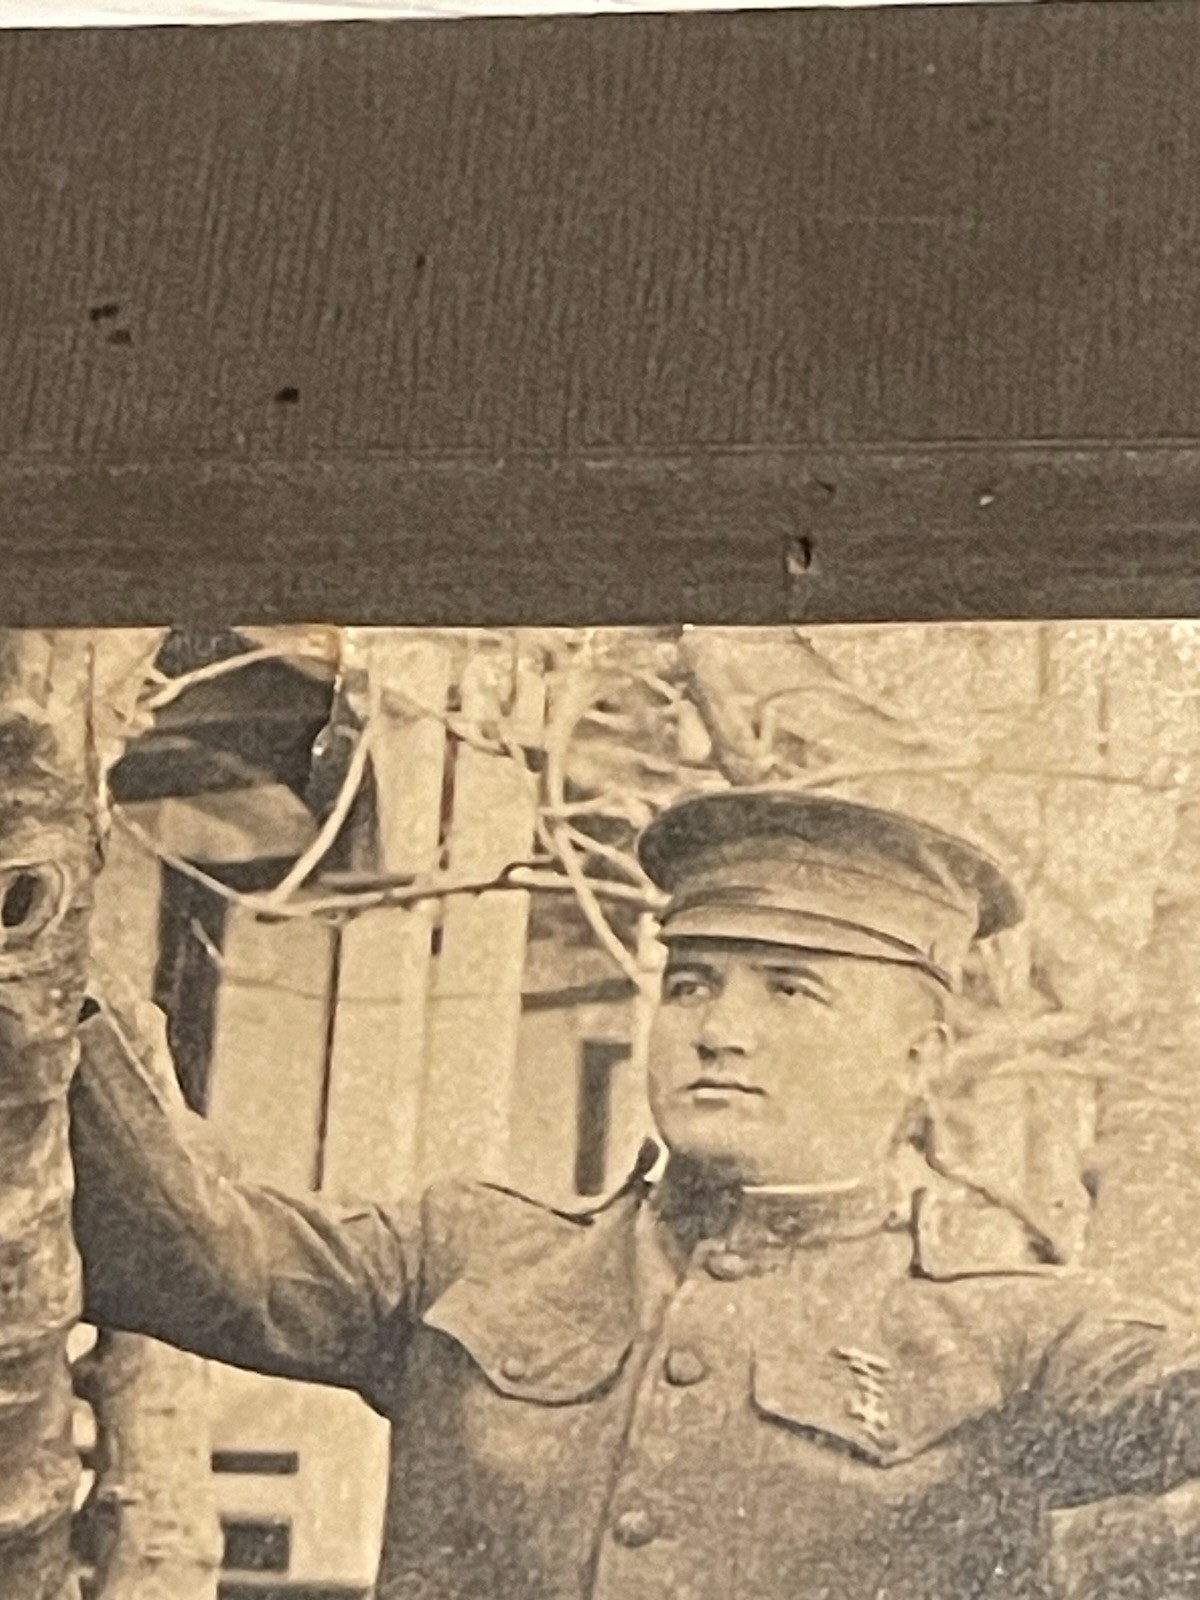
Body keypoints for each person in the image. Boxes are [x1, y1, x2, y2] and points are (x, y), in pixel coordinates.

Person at [69, 787, 1200, 1600]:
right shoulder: (471, 1252)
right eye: (693, 983)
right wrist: (40, 995)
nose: (720, 1030)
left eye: (792, 991)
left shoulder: (1023, 1330)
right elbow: (195, 1257)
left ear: (916, 1053)